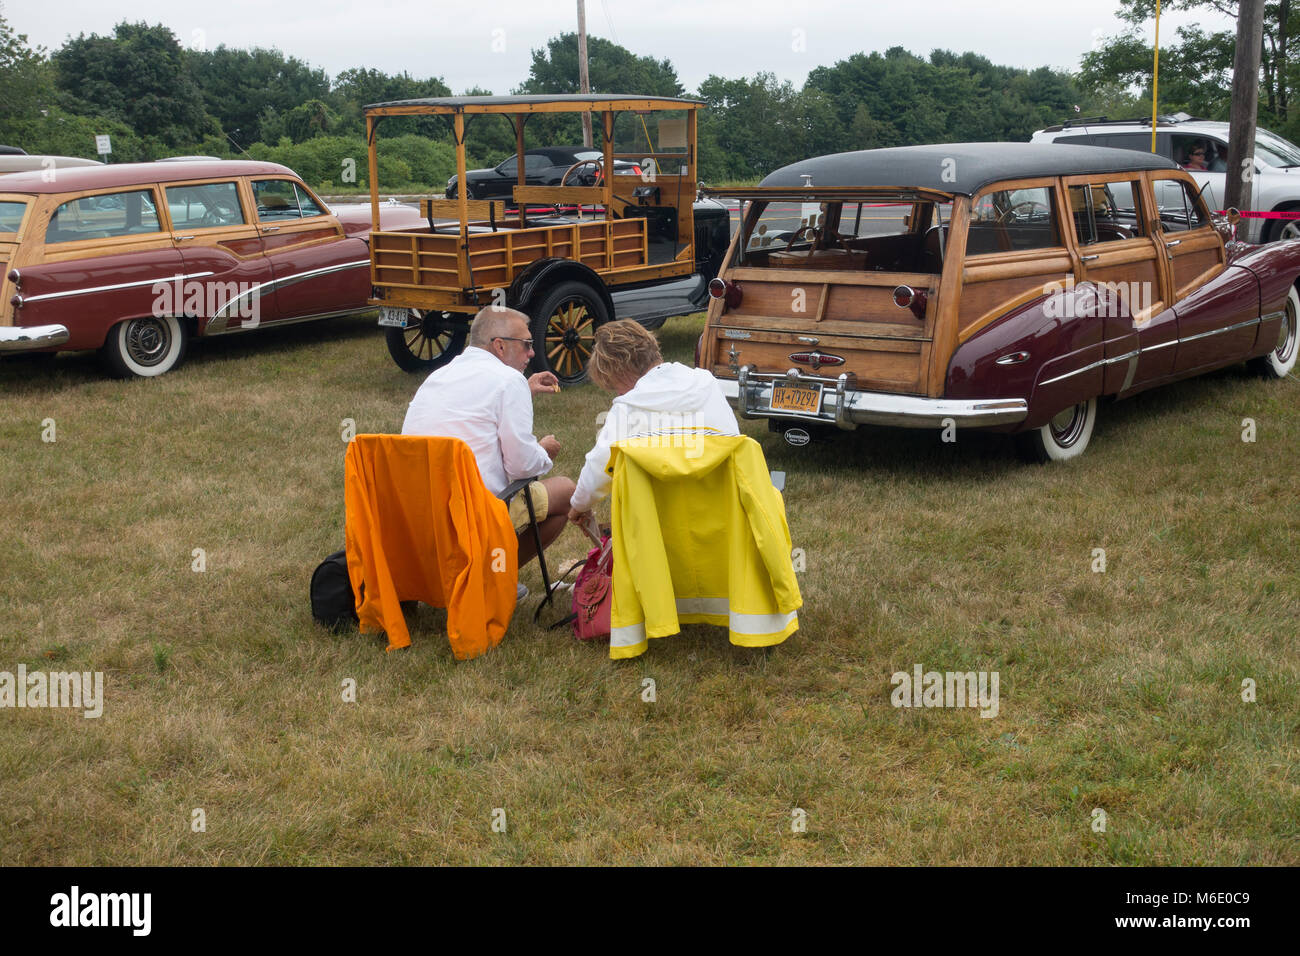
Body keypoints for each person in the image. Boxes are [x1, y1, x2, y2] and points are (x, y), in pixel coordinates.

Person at [402, 306, 575, 573]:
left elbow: (472, 408)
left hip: (416, 511)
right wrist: (544, 451)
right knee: (566, 492)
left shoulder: (437, 376)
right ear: (500, 346)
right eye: (527, 344)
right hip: (472, 515)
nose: (532, 352)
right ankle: (493, 578)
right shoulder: (509, 381)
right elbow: (522, 466)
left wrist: (523, 390)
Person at [566, 320, 740, 528]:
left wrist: (578, 506)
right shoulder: (707, 382)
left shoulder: (628, 409)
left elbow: (596, 473)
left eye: (615, 386)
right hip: (727, 516)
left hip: (664, 529)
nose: (618, 394)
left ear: (619, 369)